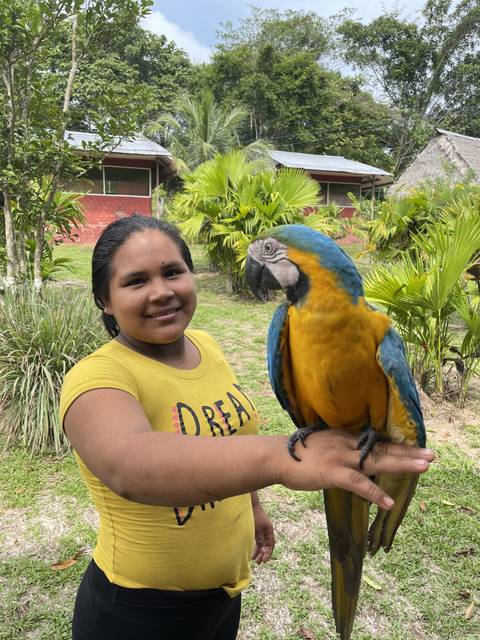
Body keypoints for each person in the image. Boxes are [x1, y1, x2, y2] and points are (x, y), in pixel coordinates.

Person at [60, 214, 434, 640]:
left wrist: (252, 506)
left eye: (172, 272)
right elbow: (130, 466)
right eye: (135, 282)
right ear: (104, 300)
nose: (161, 292)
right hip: (136, 610)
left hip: (224, 597)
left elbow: (229, 436)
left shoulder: (206, 347)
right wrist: (277, 460)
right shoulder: (95, 378)